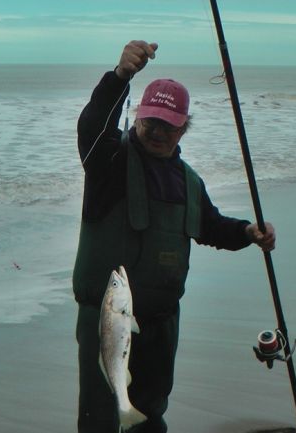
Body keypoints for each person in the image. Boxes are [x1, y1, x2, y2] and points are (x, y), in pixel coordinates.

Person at [73, 40, 276, 433]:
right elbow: (92, 127)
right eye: (151, 122)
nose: (158, 132)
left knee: (149, 416)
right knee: (99, 419)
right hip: (107, 320)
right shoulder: (109, 162)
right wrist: (120, 77)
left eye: (168, 125)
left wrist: (248, 232)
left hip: (162, 326)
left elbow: (211, 227)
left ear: (184, 127)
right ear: (138, 118)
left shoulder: (189, 182)